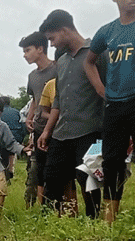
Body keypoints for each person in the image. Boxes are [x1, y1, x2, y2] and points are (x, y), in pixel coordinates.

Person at [37, 9, 105, 219]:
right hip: (62, 132)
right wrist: (47, 131)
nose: (52, 44)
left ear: (64, 31)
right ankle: (48, 224)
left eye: (52, 38)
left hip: (89, 129)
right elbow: (58, 99)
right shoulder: (63, 61)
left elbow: (106, 92)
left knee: (87, 179)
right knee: (52, 178)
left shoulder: (97, 54)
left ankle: (92, 222)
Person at [85, 0, 135, 223]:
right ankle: (109, 219)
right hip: (114, 105)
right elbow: (89, 62)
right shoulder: (107, 31)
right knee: (112, 161)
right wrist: (99, 87)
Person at [20, 31, 57, 207]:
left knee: (56, 170)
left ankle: (60, 207)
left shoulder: (58, 69)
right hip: (39, 127)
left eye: (28, 50)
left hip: (57, 128)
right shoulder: (32, 76)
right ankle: (43, 209)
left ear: (40, 49)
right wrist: (29, 117)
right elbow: (35, 99)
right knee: (37, 170)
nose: (24, 55)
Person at [0, 96, 23, 181]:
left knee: (3, 155)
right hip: (15, 137)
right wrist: (21, 138)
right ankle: (10, 170)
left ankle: (5, 174)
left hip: (2, 139)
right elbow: (22, 125)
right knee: (11, 153)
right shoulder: (16, 112)